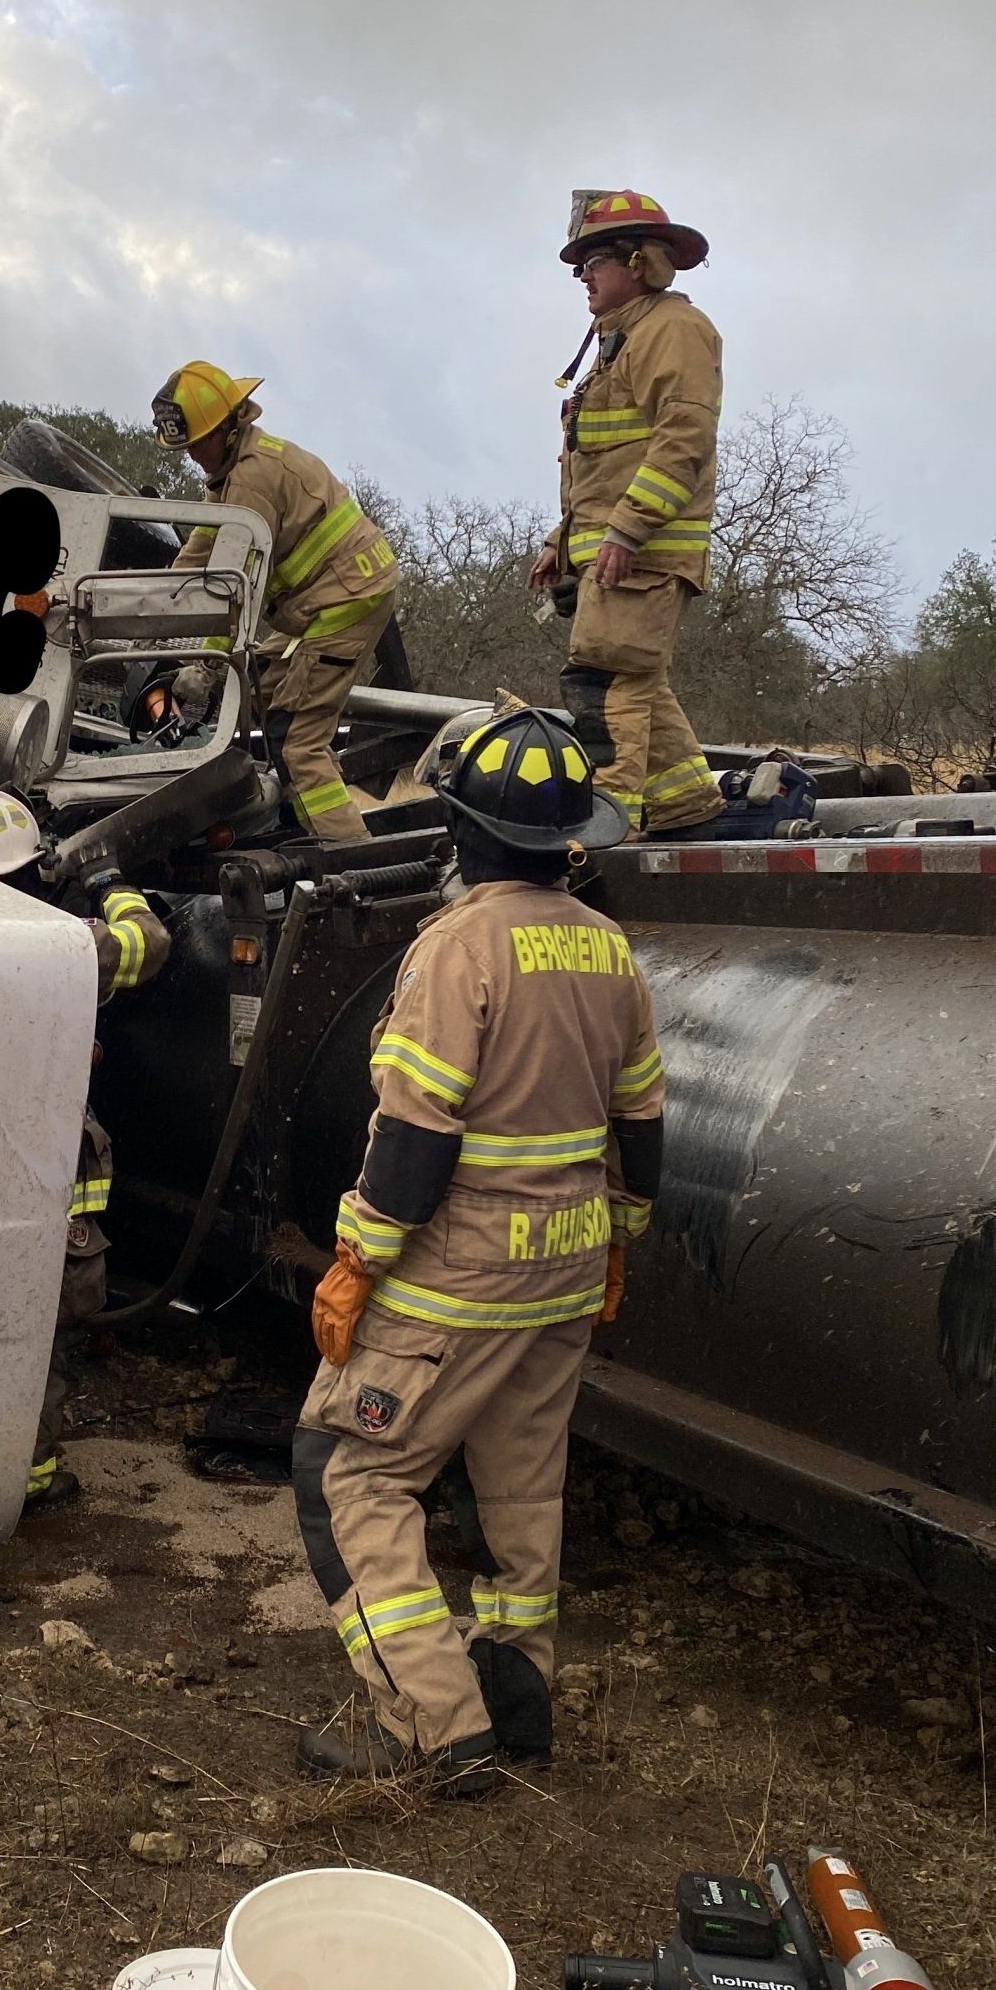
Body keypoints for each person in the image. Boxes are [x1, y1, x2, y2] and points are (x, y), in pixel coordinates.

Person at [290, 707, 665, 1794]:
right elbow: (641, 1126)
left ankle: (429, 1725)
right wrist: (617, 1240)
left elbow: (413, 1138)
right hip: (560, 1275)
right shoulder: (608, 947)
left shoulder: (455, 948)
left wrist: (358, 1261)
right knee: (518, 1486)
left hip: (456, 1280)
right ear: (566, 835)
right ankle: (515, 1701)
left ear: (459, 828)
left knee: (348, 1471)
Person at [0, 789, 171, 1511]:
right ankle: (29, 1475)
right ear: (35, 871)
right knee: (46, 1319)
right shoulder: (61, 944)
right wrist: (111, 885)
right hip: (44, 1157)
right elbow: (151, 945)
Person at [527, 191, 728, 838]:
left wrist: (628, 528)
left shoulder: (673, 330)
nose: (580, 274)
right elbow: (603, 464)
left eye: (593, 260)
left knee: (603, 682)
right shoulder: (621, 340)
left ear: (640, 262)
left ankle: (605, 827)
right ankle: (686, 811)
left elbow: (683, 438)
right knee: (638, 680)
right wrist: (563, 540)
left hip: (645, 555)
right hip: (620, 553)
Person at [152, 362, 398, 844]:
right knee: (257, 690)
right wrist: (144, 606)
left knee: (296, 740)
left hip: (346, 600)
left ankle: (355, 860)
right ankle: (292, 824)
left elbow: (234, 585)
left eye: (196, 444)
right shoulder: (232, 473)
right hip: (322, 600)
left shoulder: (250, 480)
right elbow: (202, 553)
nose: (192, 457)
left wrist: (205, 667)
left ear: (226, 428)